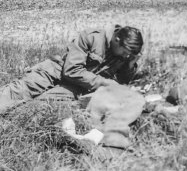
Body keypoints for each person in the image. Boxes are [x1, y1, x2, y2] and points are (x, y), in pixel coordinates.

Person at [0, 25, 144, 113]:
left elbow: (122, 82)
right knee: (18, 91)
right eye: (126, 52)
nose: (126, 56)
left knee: (40, 106)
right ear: (116, 40)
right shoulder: (92, 37)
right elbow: (72, 70)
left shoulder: (124, 56)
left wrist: (131, 65)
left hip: (75, 87)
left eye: (130, 54)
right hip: (54, 71)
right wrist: (106, 83)